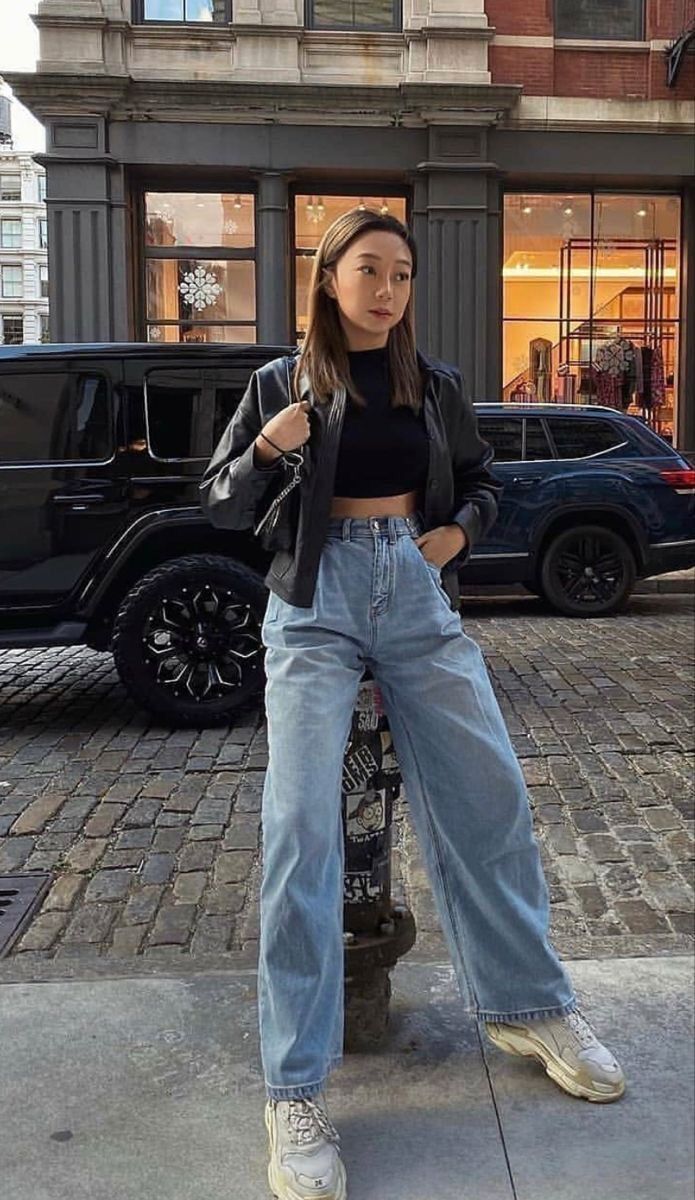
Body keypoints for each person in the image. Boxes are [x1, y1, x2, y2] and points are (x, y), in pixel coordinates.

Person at [200, 209, 625, 1200]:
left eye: (399, 274)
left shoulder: (431, 386)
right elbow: (216, 499)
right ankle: (293, 1087)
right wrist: (267, 446)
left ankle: (526, 1004)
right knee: (299, 829)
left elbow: (479, 484)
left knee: (489, 796)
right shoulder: (280, 382)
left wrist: (454, 538)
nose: (384, 290)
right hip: (311, 602)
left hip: (413, 581)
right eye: (366, 270)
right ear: (328, 278)